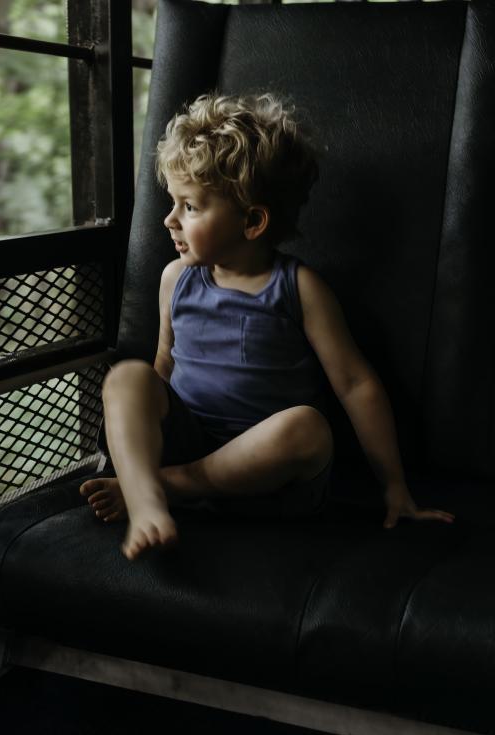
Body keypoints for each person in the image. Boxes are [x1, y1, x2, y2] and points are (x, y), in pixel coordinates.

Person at [80, 93, 453, 560]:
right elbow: (164, 367)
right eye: (173, 202)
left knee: (308, 427)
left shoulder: (299, 288)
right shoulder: (175, 279)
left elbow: (357, 385)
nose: (169, 219)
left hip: (271, 484)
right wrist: (138, 422)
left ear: (253, 221)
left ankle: (164, 487)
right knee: (126, 378)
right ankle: (147, 498)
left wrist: (395, 488)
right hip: (191, 441)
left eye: (190, 207)